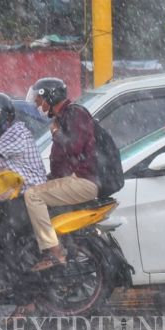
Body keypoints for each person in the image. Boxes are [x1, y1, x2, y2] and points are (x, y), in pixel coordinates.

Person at [24, 78, 99, 272]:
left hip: (84, 181)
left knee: (32, 196)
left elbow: (75, 147)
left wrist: (57, 134)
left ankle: (55, 252)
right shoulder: (63, 117)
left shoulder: (75, 113)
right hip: (76, 179)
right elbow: (63, 160)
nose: (37, 105)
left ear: (50, 97)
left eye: (39, 100)